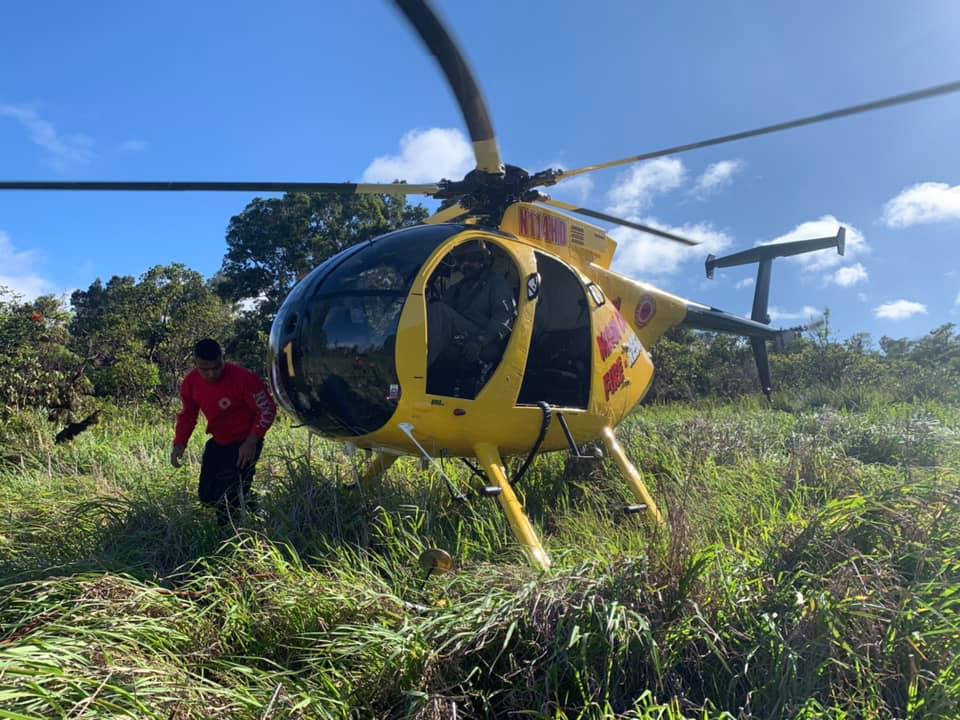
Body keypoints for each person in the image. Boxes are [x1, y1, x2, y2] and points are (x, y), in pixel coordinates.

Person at [171, 339, 277, 525]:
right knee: (207, 497)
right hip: (219, 441)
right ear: (195, 364)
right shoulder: (191, 382)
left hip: (246, 442)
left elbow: (267, 410)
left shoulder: (245, 379)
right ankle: (253, 503)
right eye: (205, 369)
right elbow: (188, 416)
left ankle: (233, 540)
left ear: (223, 359)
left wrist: (251, 442)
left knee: (228, 502)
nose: (211, 373)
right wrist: (180, 443)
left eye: (216, 367)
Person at [427, 241, 516, 366]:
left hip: (485, 342)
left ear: (483, 261)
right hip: (461, 337)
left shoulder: (496, 283)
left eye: (472, 260)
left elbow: (504, 318)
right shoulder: (456, 289)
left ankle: (419, 367)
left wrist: (480, 341)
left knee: (438, 310)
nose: (466, 264)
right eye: (462, 261)